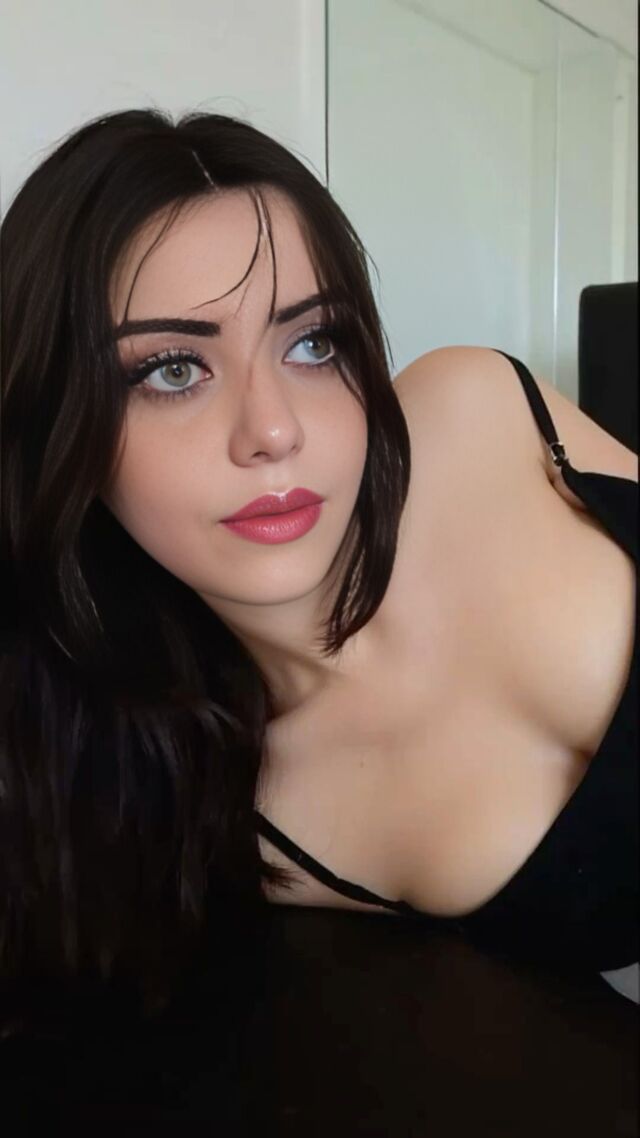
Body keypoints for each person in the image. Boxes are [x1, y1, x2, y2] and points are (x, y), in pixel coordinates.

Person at [1, 109, 637, 1032]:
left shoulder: (480, 414)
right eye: (173, 370)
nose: (273, 430)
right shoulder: (261, 829)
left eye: (312, 343)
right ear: (61, 432)